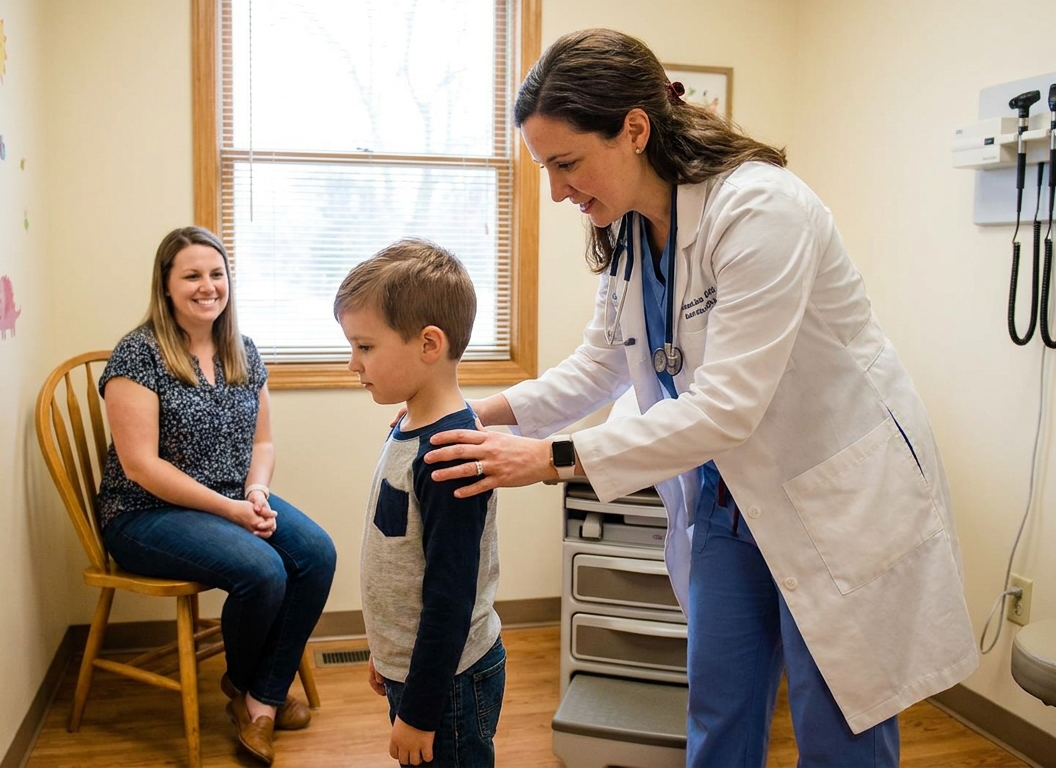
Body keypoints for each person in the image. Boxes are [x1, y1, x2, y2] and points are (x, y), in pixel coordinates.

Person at [422, 29, 978, 768]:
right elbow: (599, 365)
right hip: (726, 502)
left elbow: (727, 408)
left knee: (838, 731)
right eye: (544, 169)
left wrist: (549, 458)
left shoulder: (760, 209)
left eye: (567, 164)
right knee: (718, 712)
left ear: (634, 129)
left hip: (833, 498)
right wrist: (480, 412)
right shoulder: (629, 232)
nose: (557, 191)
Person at [94, 226, 337, 767]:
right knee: (263, 571)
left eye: (216, 274)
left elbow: (263, 440)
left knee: (317, 553)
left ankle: (257, 698)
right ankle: (257, 693)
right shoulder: (139, 354)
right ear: (166, 284)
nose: (208, 286)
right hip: (144, 512)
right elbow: (141, 465)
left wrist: (254, 490)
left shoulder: (241, 349)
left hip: (232, 495)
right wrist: (231, 510)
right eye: (192, 276)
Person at [334, 239, 505, 767]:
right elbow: (400, 552)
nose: (352, 364)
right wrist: (388, 653)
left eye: (365, 347)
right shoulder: (409, 426)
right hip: (419, 668)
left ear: (429, 344)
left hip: (448, 683)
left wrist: (421, 709)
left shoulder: (447, 454)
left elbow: (449, 596)